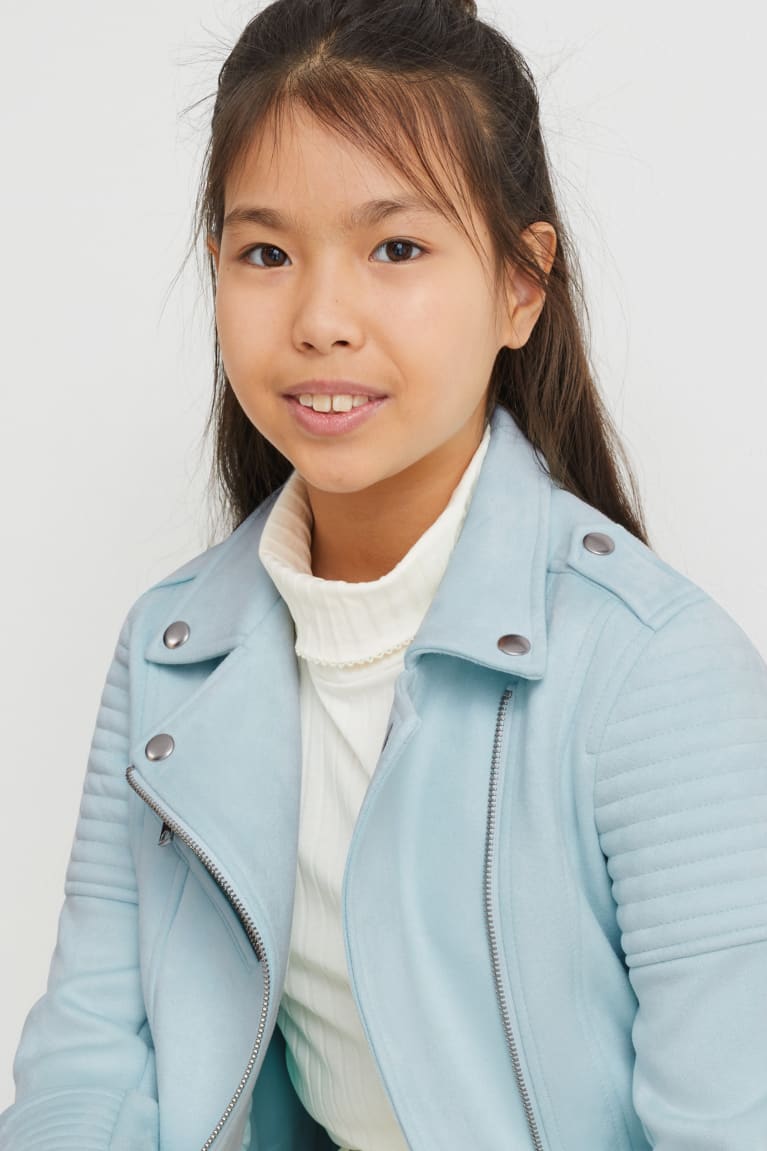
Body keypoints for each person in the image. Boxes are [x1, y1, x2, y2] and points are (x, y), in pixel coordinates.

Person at [2, 0, 766, 1148]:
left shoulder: (655, 671)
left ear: (520, 284)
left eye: (395, 248)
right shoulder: (171, 650)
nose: (320, 319)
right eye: (265, 253)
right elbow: (94, 1056)